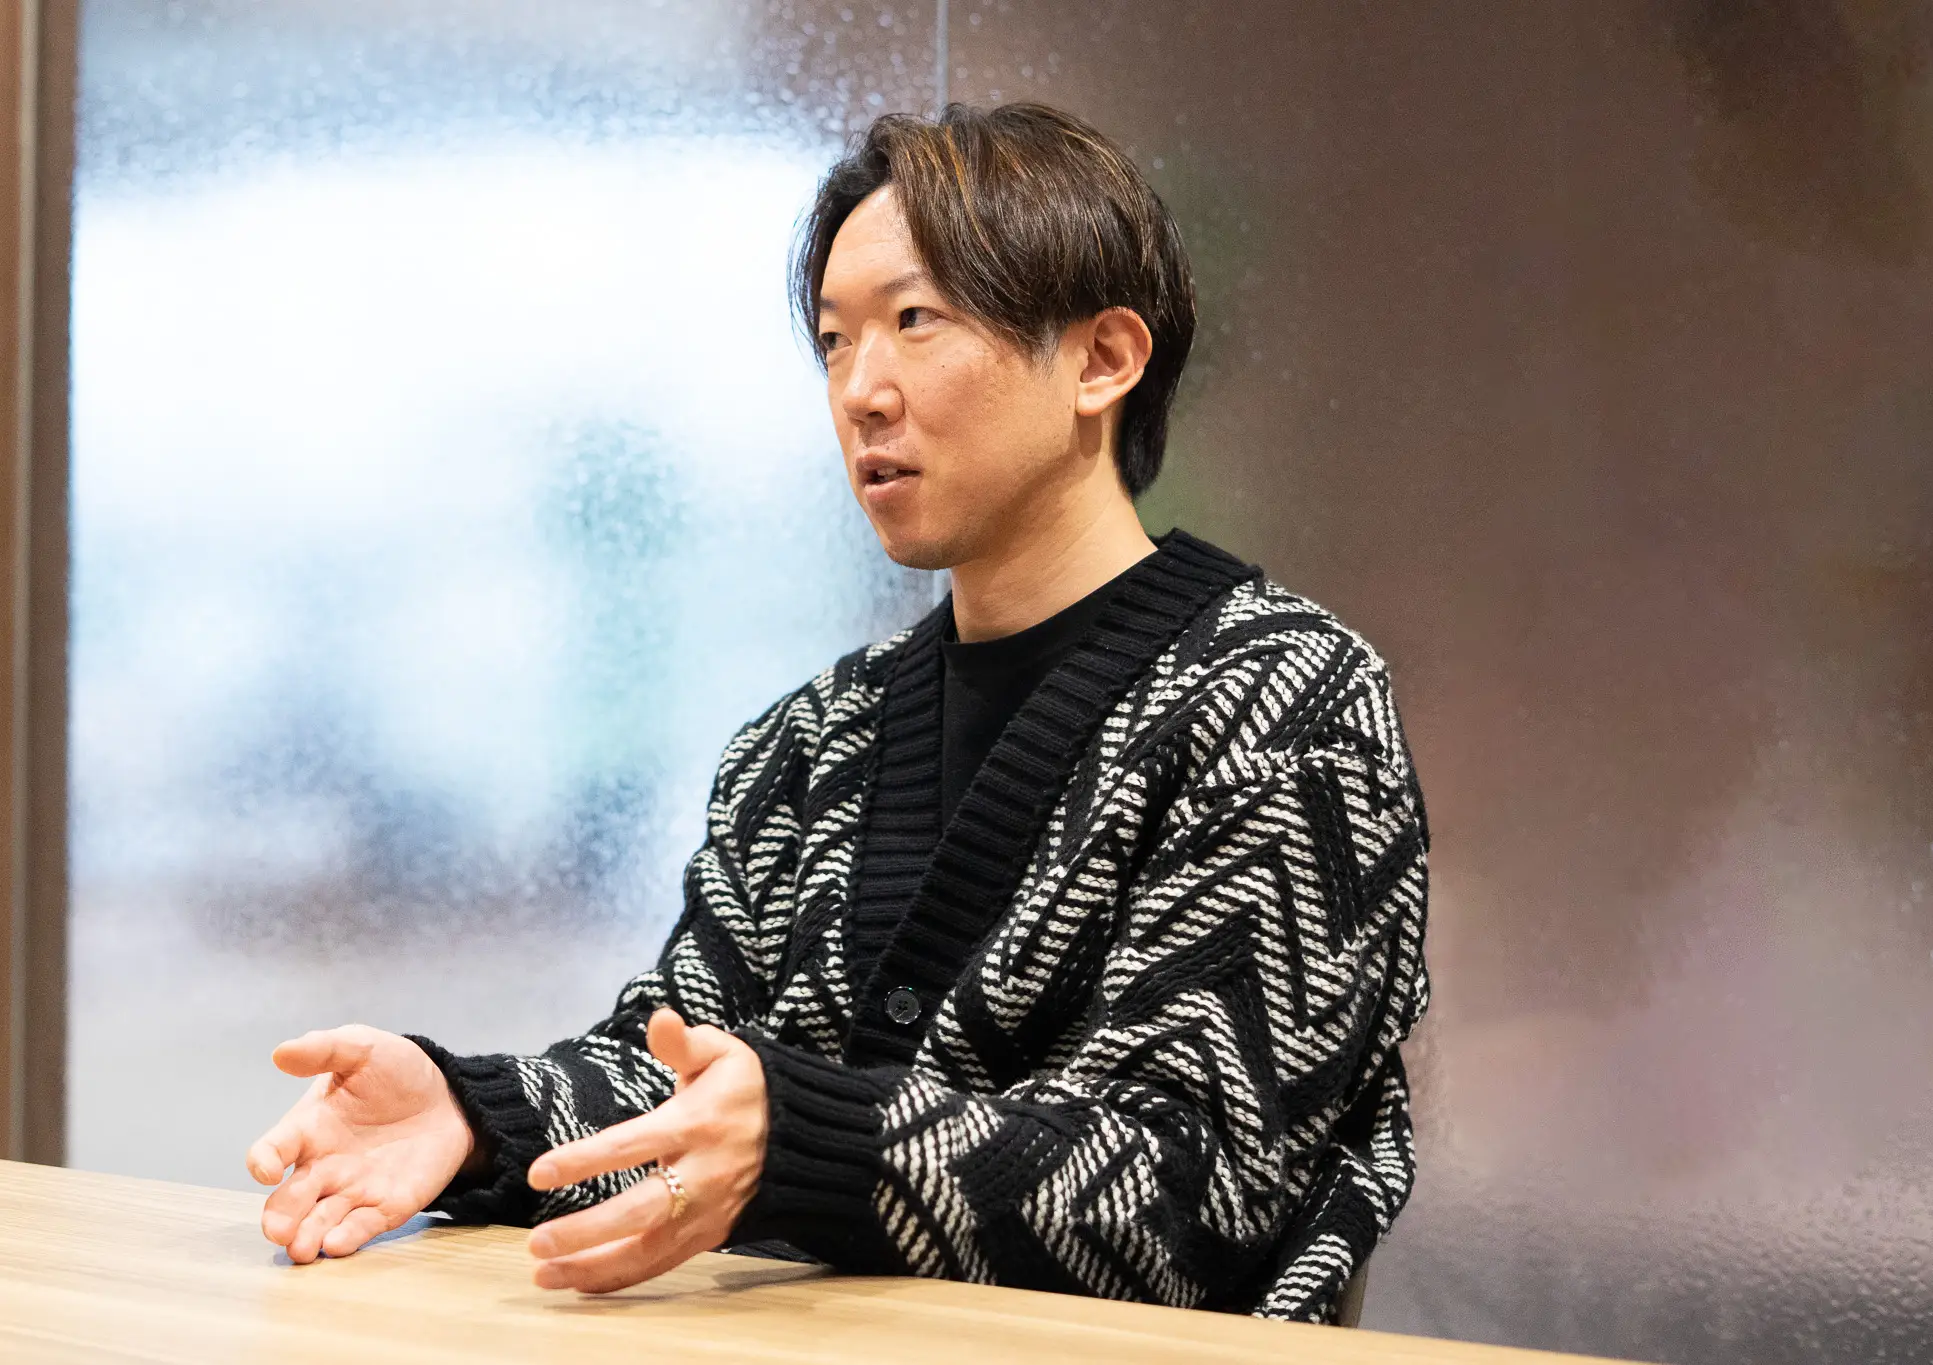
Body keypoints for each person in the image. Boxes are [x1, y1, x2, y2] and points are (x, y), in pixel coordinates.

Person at [244, 101, 1430, 1324]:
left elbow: (1195, 1192)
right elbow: (682, 1079)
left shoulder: (1284, 700)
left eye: (915, 321)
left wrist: (809, 1143)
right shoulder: (812, 739)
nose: (860, 391)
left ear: (1100, 360)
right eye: (831, 340)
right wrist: (473, 1114)